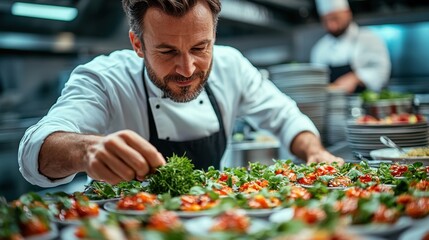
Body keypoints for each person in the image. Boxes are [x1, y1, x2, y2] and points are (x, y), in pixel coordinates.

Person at [18, 0, 343, 188]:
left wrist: (314, 151)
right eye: (168, 51)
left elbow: (284, 116)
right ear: (137, 44)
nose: (187, 69)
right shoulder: (104, 79)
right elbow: (35, 148)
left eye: (200, 47)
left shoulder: (231, 66)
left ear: (214, 35)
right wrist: (86, 150)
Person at [310, 0, 391, 94]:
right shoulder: (320, 48)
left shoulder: (368, 38)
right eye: (325, 21)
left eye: (335, 18)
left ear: (348, 13)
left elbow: (381, 72)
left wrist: (356, 78)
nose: (331, 26)